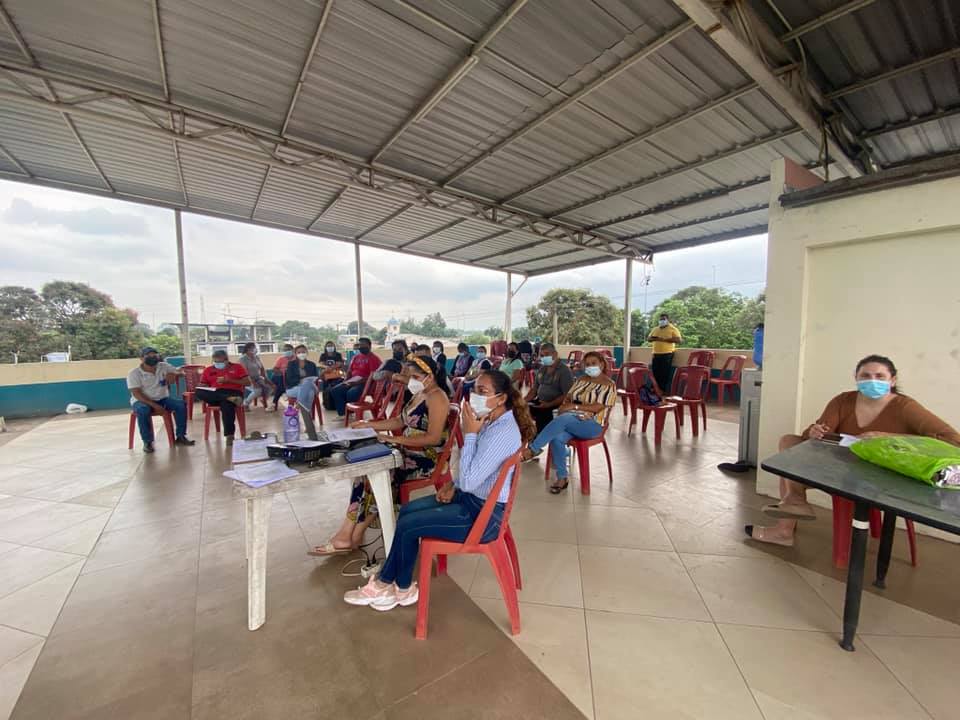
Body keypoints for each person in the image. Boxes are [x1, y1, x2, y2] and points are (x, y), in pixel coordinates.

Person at [342, 369, 536, 610]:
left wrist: (470, 435)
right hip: (471, 499)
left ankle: (387, 584)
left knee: (409, 525)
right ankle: (400, 587)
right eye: (474, 389)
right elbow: (476, 472)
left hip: (482, 516)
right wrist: (453, 485)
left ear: (502, 398)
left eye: (482, 391)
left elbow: (470, 479)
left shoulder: (501, 432)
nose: (474, 396)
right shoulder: (492, 420)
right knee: (407, 512)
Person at [746, 355, 960, 547]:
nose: (872, 380)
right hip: (838, 468)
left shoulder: (905, 407)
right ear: (856, 378)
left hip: (879, 477)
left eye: (880, 376)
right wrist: (814, 431)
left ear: (893, 380)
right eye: (865, 375)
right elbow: (810, 437)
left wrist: (886, 437)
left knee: (790, 474)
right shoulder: (843, 401)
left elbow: (953, 440)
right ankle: (792, 507)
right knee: (788, 443)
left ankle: (789, 516)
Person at [311, 356, 450, 556]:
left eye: (414, 377)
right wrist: (369, 425)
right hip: (407, 450)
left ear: (430, 376)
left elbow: (434, 438)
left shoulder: (437, 398)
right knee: (367, 469)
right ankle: (351, 532)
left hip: (427, 458)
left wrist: (394, 439)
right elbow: (399, 421)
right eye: (408, 376)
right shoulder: (420, 394)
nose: (410, 381)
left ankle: (351, 534)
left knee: (378, 473)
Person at [522, 351, 616, 493]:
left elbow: (598, 407)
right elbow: (568, 397)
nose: (590, 366)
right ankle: (562, 478)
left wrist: (574, 407)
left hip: (593, 424)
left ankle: (533, 449)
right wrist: (565, 407)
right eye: (587, 364)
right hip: (573, 419)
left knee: (564, 419)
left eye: (594, 363)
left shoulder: (609, 384)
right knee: (557, 437)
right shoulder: (581, 380)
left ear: (602, 364)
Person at [126, 346, 195, 453]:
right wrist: (154, 405)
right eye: (148, 355)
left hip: (162, 399)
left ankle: (181, 436)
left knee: (181, 405)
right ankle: (147, 442)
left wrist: (174, 375)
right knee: (143, 410)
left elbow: (181, 372)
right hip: (142, 401)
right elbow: (136, 393)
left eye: (154, 355)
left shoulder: (163, 366)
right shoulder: (134, 373)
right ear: (141, 358)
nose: (152, 357)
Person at [195, 350, 250, 444]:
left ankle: (229, 435)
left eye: (220, 362)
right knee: (198, 391)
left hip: (233, 392)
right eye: (215, 362)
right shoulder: (208, 370)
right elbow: (203, 384)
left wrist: (229, 380)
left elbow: (247, 382)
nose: (217, 364)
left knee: (226, 405)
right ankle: (227, 398)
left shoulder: (237, 367)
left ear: (226, 360)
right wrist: (203, 386)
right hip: (215, 393)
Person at [525, 342, 574, 433]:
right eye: (542, 355)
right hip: (540, 402)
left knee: (542, 416)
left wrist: (549, 404)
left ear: (555, 354)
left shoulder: (564, 371)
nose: (544, 357)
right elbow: (534, 390)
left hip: (555, 406)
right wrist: (523, 401)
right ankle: (523, 438)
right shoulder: (542, 369)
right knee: (519, 411)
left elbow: (567, 395)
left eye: (547, 354)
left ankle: (538, 439)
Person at [328, 337, 382, 417]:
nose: (361, 347)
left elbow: (372, 376)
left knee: (351, 393)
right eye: (360, 345)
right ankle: (343, 414)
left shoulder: (373, 358)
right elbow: (349, 371)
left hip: (366, 383)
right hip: (352, 380)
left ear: (370, 346)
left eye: (364, 345)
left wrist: (356, 383)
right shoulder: (356, 357)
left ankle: (351, 411)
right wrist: (345, 381)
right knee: (335, 390)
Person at [284, 344, 321, 438]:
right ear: (295, 354)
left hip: (307, 387)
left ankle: (299, 404)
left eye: (303, 352)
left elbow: (315, 378)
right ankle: (308, 421)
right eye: (299, 352)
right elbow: (289, 380)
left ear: (307, 352)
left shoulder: (311, 364)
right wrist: (300, 381)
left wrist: (306, 382)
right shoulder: (291, 364)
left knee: (308, 389)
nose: (301, 354)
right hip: (293, 388)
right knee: (309, 391)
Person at [647, 313, 682, 392]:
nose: (662, 321)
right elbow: (649, 339)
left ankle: (662, 390)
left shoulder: (673, 329)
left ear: (668, 320)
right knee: (655, 372)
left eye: (663, 319)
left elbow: (679, 340)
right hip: (656, 353)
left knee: (664, 373)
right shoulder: (655, 329)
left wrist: (665, 339)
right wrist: (656, 338)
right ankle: (654, 389)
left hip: (667, 354)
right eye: (660, 319)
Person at [239, 342, 275, 411]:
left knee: (271, 387)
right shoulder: (243, 359)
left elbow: (262, 369)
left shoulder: (257, 357)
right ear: (248, 349)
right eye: (253, 348)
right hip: (247, 379)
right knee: (258, 390)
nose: (255, 349)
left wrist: (266, 379)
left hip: (258, 378)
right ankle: (246, 404)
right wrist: (253, 382)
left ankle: (263, 399)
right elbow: (245, 373)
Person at [270, 344, 295, 410]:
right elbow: (274, 369)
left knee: (280, 387)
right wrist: (282, 372)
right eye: (285, 350)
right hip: (279, 377)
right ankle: (284, 392)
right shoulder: (281, 359)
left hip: (290, 379)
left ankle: (274, 403)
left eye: (288, 350)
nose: (286, 351)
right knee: (281, 378)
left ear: (292, 350)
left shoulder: (296, 358)